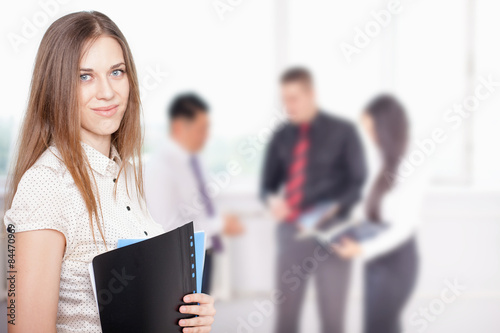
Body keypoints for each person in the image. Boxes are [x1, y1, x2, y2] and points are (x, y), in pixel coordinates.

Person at [2, 11, 215, 333]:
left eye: (116, 72)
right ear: (56, 87)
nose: (107, 92)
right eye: (84, 76)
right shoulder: (46, 184)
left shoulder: (127, 176)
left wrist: (191, 317)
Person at [260, 67, 367, 333]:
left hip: (334, 235)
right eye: (284, 99)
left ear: (312, 95)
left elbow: (358, 181)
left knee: (332, 319)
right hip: (292, 234)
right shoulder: (281, 135)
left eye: (294, 98)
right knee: (286, 318)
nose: (289, 106)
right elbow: (266, 185)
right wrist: (272, 202)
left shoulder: (344, 131)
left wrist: (333, 208)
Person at [332, 94, 422, 333]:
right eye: (367, 130)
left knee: (379, 328)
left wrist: (362, 249)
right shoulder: (381, 158)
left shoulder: (413, 161)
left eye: (373, 130)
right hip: (375, 257)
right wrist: (342, 224)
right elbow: (370, 207)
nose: (370, 137)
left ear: (387, 127)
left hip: (397, 259)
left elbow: (404, 227)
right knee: (382, 327)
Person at [144, 93, 244, 295]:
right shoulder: (161, 167)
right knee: (188, 321)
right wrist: (221, 224)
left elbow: (201, 207)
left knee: (200, 319)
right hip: (182, 259)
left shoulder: (194, 161)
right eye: (201, 129)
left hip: (203, 251)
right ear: (179, 127)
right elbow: (166, 225)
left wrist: (219, 221)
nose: (206, 136)